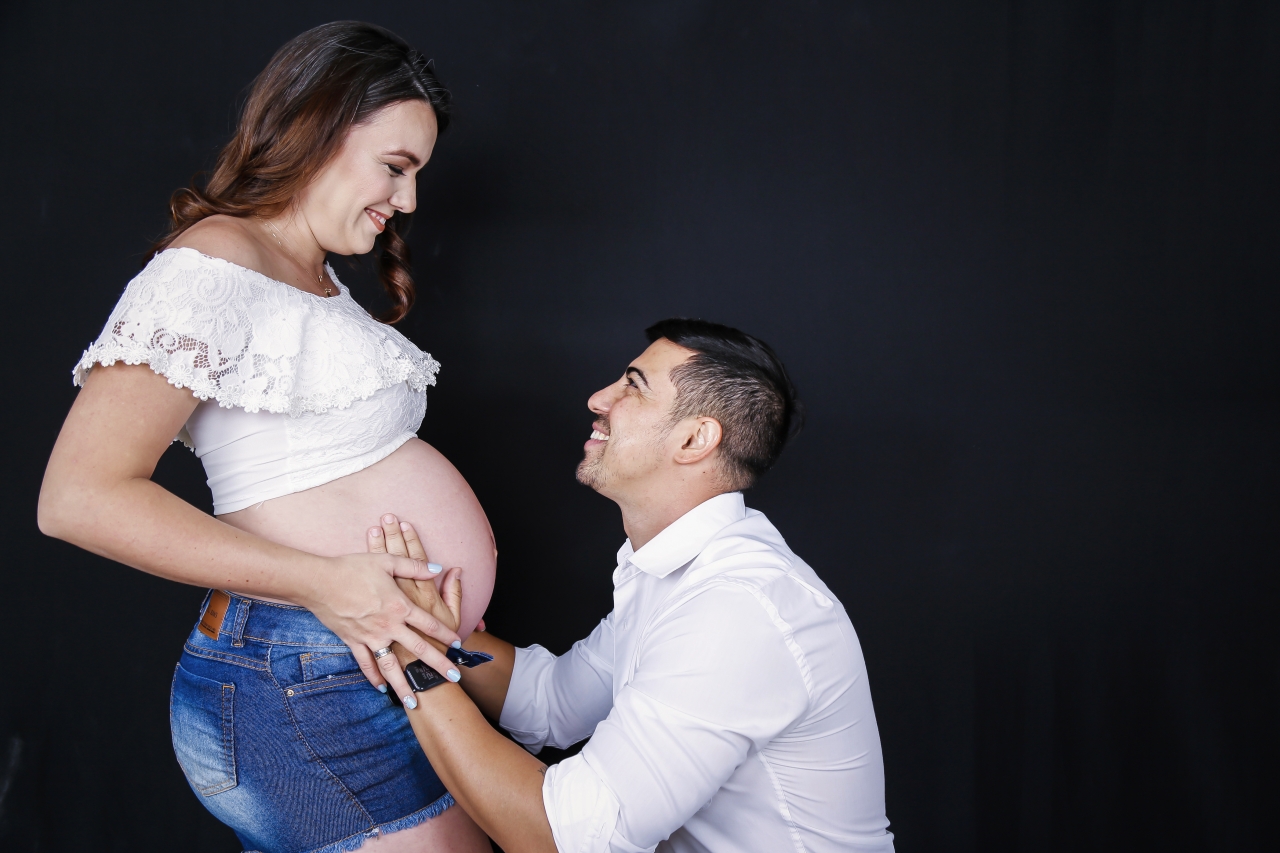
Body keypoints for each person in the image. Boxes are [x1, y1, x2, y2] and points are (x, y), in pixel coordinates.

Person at [38, 21, 495, 853]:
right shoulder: (215, 263)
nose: (408, 201)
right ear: (319, 125)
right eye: (396, 167)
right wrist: (326, 581)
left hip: (352, 665)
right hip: (301, 672)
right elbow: (77, 498)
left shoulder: (312, 276)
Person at [359, 319, 895, 852]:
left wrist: (413, 656)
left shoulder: (737, 609)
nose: (598, 399)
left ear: (694, 439)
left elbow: (555, 839)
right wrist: (426, 622)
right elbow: (550, 702)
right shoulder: (673, 573)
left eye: (633, 387)